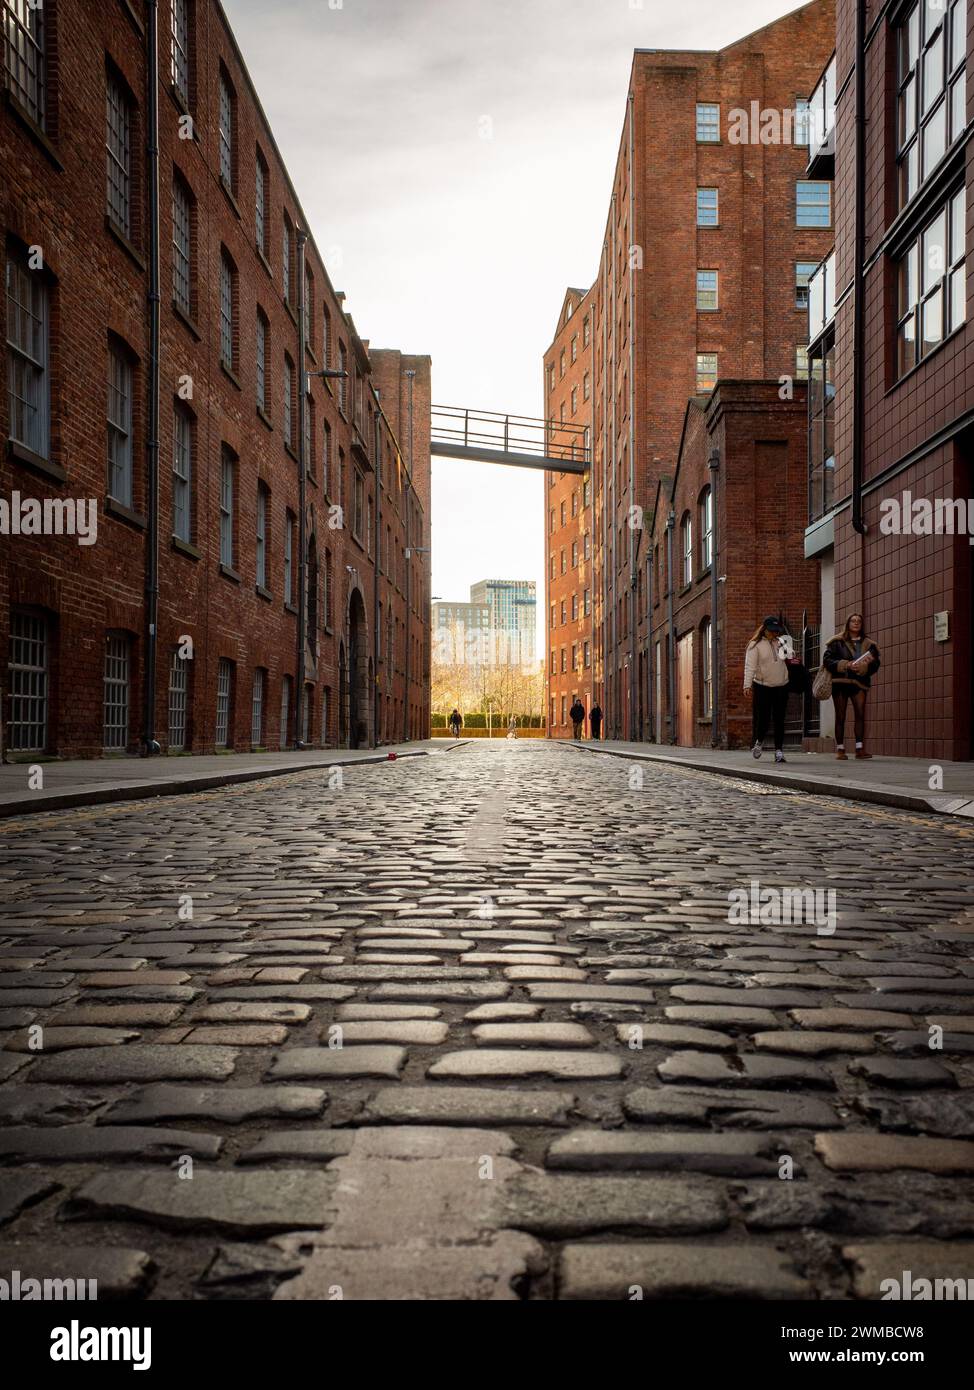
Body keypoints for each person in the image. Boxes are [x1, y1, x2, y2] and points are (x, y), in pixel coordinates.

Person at [823, 614, 881, 759]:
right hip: (841, 682)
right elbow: (827, 660)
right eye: (853, 621)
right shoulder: (837, 642)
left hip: (859, 683)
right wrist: (845, 664)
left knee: (860, 714)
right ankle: (840, 749)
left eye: (859, 621)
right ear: (848, 623)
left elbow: (875, 664)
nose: (856, 623)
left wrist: (865, 668)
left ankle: (859, 749)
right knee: (840, 716)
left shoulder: (869, 644)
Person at [744, 616, 790, 763]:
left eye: (776, 631)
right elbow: (750, 666)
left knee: (779, 719)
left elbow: (790, 656)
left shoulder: (781, 641)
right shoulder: (754, 645)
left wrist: (785, 646)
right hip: (762, 686)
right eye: (772, 631)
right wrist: (747, 684)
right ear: (764, 629)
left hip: (781, 685)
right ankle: (759, 742)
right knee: (763, 719)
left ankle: (779, 751)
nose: (774, 634)